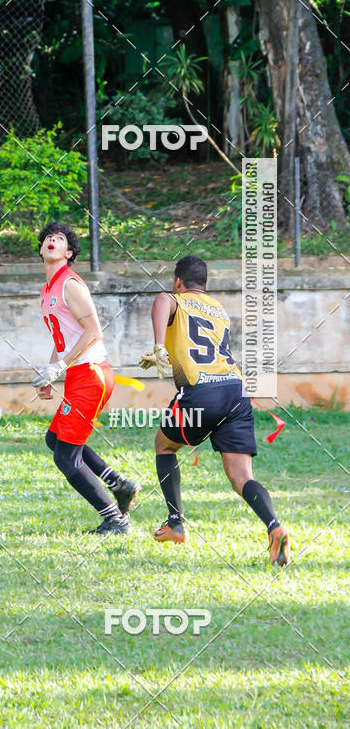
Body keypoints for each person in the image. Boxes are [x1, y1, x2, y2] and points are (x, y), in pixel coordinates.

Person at [139, 254, 290, 566]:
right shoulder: (219, 310)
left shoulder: (174, 299)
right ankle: (274, 526)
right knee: (241, 476)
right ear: (204, 284)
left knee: (164, 445)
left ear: (178, 281)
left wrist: (158, 347)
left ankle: (175, 523)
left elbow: (161, 302)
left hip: (200, 393)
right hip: (235, 395)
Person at [32, 221, 140, 535]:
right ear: (42, 248)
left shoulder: (70, 284)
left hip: (91, 374)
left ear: (69, 252)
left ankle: (115, 520)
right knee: (55, 440)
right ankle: (118, 484)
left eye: (60, 238)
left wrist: (61, 366)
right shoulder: (47, 289)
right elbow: (62, 336)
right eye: (48, 237)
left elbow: (93, 332)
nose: (52, 239)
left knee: (66, 457)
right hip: (80, 374)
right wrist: (50, 372)